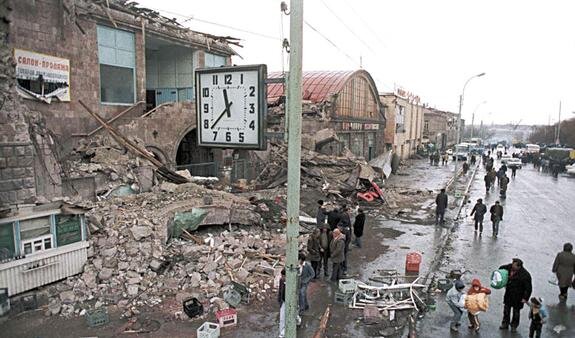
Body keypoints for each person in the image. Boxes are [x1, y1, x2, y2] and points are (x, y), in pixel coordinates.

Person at [499, 258, 532, 332]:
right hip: (509, 293)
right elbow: (501, 268)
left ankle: (514, 325)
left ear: (519, 266)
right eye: (512, 264)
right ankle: (505, 323)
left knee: (516, 312)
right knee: (506, 310)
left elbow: (528, 288)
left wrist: (525, 298)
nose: (512, 267)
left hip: (518, 297)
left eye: (514, 266)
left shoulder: (525, 275)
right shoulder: (509, 267)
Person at [338, 208, 352, 274]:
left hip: (344, 247)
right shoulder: (343, 231)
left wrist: (345, 245)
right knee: (342, 257)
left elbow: (348, 239)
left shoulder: (345, 231)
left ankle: (344, 268)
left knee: (344, 258)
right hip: (342, 247)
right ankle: (342, 267)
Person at [278, 268, 286, 338]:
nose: (282, 277)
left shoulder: (291, 282)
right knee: (282, 318)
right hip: (283, 301)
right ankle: (281, 334)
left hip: (290, 303)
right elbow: (280, 290)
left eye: (283, 276)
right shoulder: (281, 280)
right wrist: (279, 300)